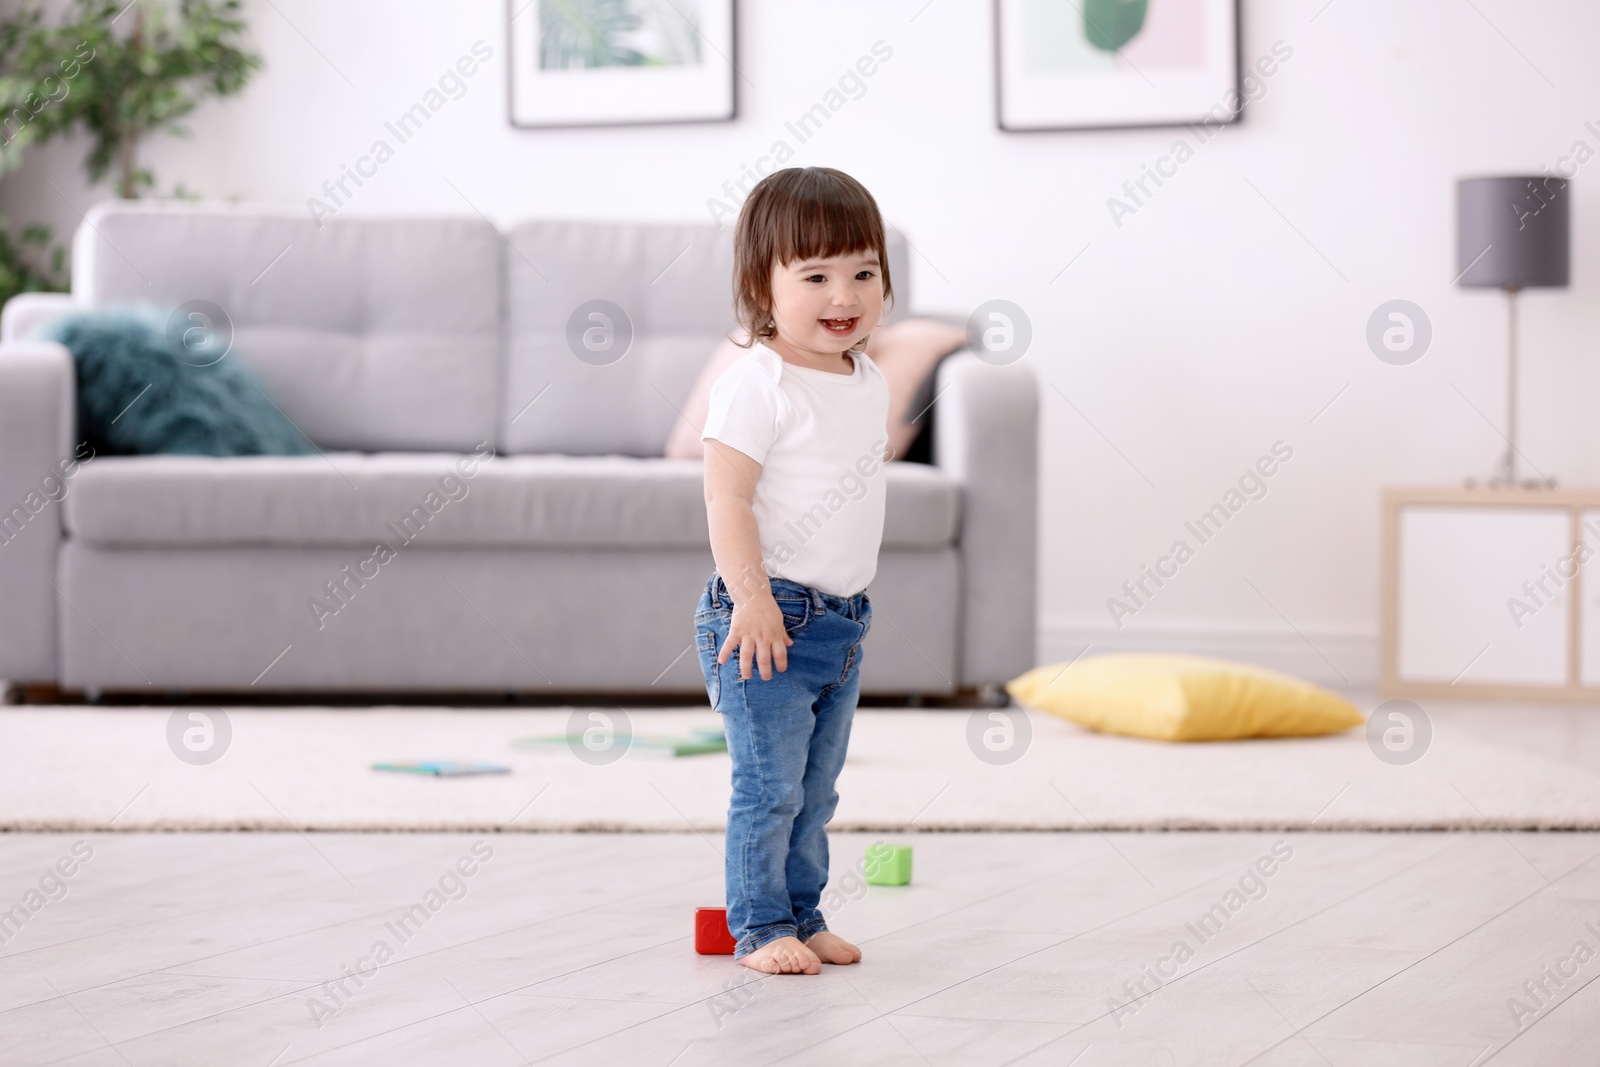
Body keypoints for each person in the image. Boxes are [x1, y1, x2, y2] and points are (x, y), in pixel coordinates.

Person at [694, 166, 894, 974]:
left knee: (817, 790)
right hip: (767, 616)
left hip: (842, 621)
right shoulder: (756, 385)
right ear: (761, 286)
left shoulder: (867, 378)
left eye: (863, 272)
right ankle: (760, 926)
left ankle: (804, 912)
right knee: (769, 786)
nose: (842, 292)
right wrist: (751, 600)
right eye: (814, 275)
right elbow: (727, 499)